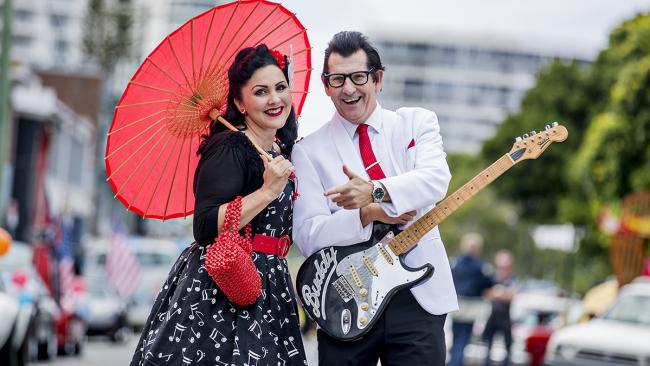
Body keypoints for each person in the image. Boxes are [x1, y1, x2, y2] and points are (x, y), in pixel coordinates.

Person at [129, 44, 307, 366]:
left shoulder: (281, 151)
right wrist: (267, 191)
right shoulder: (229, 147)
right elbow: (205, 226)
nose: (275, 99)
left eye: (281, 87)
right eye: (261, 91)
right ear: (239, 102)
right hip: (223, 288)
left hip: (272, 283)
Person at [292, 31, 456, 366]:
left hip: (419, 296)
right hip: (345, 299)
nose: (348, 89)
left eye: (358, 77)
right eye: (338, 79)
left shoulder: (416, 123)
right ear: (326, 86)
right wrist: (365, 214)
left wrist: (376, 191)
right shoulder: (307, 150)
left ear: (377, 79)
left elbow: (435, 180)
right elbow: (308, 235)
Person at [449, 233, 494, 366]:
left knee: (456, 338)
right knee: (463, 340)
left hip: (457, 304)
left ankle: (454, 361)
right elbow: (489, 283)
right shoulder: (481, 266)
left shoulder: (455, 262)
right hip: (471, 307)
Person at [483, 250, 517, 366]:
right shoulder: (493, 278)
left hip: (505, 317)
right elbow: (486, 294)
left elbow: (512, 296)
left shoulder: (512, 279)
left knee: (508, 348)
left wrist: (498, 294)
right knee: (487, 347)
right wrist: (501, 294)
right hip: (492, 316)